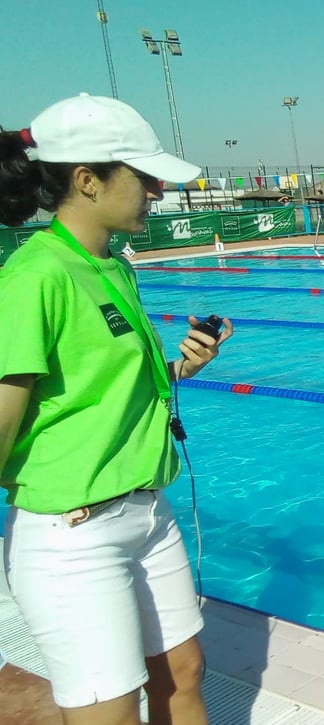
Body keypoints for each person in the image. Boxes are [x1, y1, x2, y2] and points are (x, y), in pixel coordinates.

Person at [0, 94, 235, 724]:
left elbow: (103, 382)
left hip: (146, 513)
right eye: (144, 175)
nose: (157, 189)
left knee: (184, 674)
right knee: (110, 711)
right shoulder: (35, 278)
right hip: (74, 533)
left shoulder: (110, 265)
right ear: (87, 180)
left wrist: (184, 365)